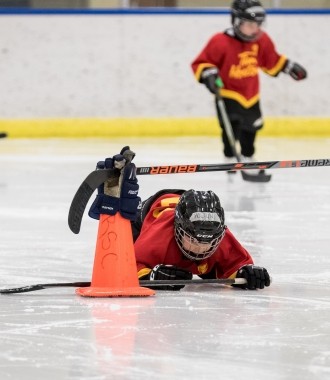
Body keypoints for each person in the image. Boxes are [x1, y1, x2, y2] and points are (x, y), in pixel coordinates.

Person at [89, 146, 271, 291]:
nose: (200, 249)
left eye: (207, 243)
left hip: (182, 208)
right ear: (178, 228)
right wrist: (149, 275)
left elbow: (238, 264)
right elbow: (127, 265)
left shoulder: (216, 234)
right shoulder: (159, 236)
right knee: (120, 220)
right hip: (148, 214)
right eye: (192, 239)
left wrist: (246, 273)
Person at [191, 0, 307, 165]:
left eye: (258, 25)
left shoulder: (261, 40)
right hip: (228, 92)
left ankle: (248, 155)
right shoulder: (220, 41)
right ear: (236, 21)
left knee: (252, 127)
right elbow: (203, 62)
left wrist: (287, 66)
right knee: (231, 126)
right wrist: (208, 74)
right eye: (250, 24)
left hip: (251, 93)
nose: (255, 29)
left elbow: (270, 59)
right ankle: (229, 157)